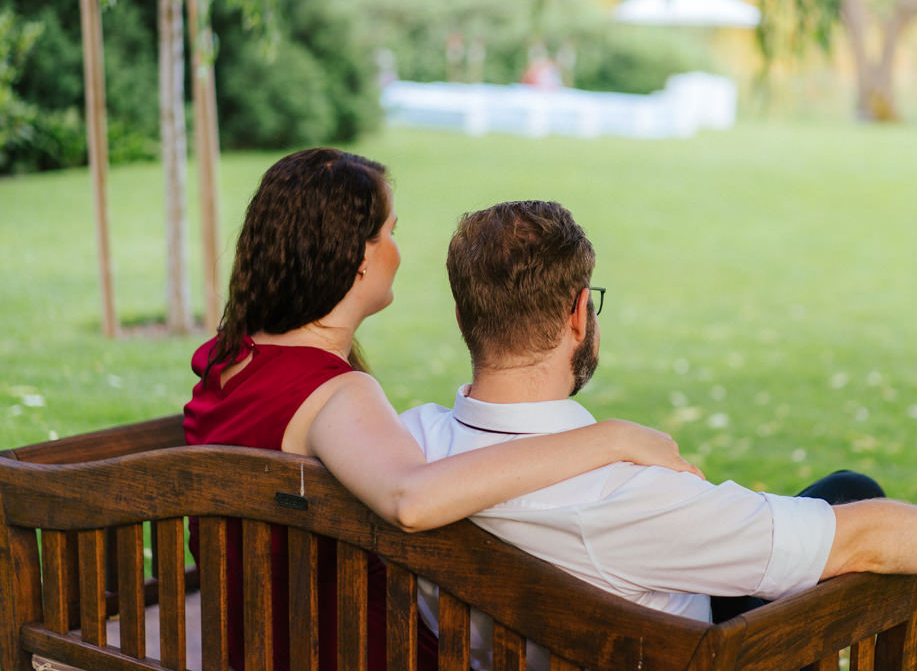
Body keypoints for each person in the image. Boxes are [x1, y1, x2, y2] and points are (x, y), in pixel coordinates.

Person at [399, 199, 917, 665]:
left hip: (542, 633)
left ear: (468, 319)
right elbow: (866, 540)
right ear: (575, 317)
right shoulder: (621, 495)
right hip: (672, 649)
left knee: (845, 491)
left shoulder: (410, 450)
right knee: (858, 512)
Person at [182, 150, 700, 671]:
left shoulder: (233, 362)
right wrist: (608, 439)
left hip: (255, 645)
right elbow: (412, 499)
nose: (397, 251)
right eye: (388, 232)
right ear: (356, 257)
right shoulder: (330, 392)